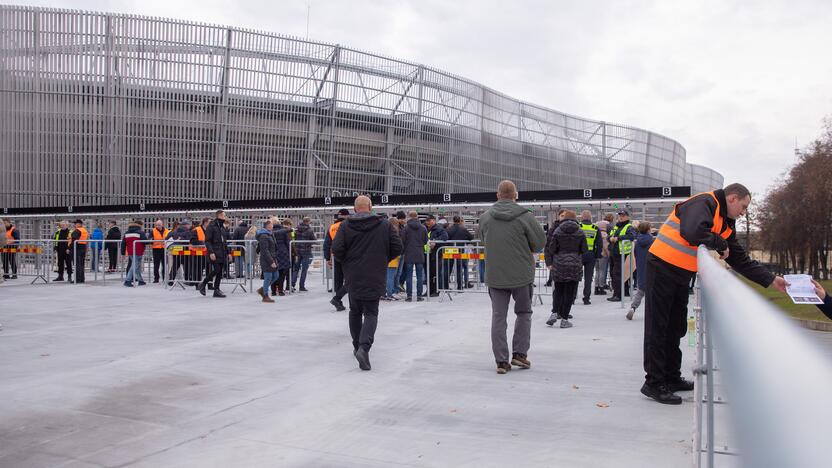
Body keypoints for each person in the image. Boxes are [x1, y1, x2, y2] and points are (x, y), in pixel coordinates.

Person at [642, 183, 788, 404]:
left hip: (680, 273)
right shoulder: (705, 203)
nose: (744, 211)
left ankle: (670, 377)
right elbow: (692, 232)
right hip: (662, 266)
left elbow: (738, 258)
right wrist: (719, 243)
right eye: (744, 205)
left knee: (675, 327)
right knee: (658, 327)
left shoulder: (726, 221)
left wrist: (770, 279)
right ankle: (653, 383)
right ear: (732, 198)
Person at [479, 180, 547, 374]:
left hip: (495, 275)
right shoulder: (526, 216)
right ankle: (520, 355)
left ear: (497, 195)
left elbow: (483, 238)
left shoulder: (485, 217)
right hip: (521, 275)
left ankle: (501, 361)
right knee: (524, 314)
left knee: (498, 317)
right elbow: (539, 242)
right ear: (516, 195)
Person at [331, 195, 403, 371]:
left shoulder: (345, 225)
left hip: (353, 275)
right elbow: (398, 247)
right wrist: (382, 259)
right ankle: (364, 347)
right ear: (370, 206)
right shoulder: (384, 225)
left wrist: (347, 263)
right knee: (371, 312)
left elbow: (337, 249)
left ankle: (357, 346)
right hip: (375, 274)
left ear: (355, 209)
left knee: (355, 311)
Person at [544, 210, 587, 328]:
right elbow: (584, 249)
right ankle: (564, 320)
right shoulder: (580, 231)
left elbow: (552, 248)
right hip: (574, 265)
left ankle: (554, 313)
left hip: (559, 264)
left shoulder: (557, 230)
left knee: (558, 290)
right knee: (569, 293)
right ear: (575, 219)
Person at [199, 210, 231, 298]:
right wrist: (211, 252)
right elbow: (208, 241)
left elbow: (224, 241)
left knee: (220, 271)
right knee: (217, 269)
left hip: (222, 252)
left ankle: (216, 290)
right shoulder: (212, 226)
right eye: (224, 215)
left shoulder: (222, 227)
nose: (225, 217)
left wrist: (229, 253)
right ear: (220, 215)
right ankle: (203, 283)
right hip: (214, 252)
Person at [607, 210, 636, 302]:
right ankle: (621, 292)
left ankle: (618, 295)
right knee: (613, 274)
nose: (621, 217)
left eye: (623, 215)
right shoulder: (616, 226)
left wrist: (618, 238)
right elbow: (609, 236)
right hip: (613, 253)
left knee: (617, 274)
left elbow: (631, 236)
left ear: (627, 217)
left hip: (621, 254)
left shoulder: (629, 226)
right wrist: (610, 238)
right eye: (620, 215)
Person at [627, 221, 654, 320]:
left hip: (641, 267)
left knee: (640, 291)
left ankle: (633, 308)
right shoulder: (652, 240)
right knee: (652, 292)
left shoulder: (637, 241)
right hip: (651, 268)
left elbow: (635, 254)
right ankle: (651, 313)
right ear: (648, 229)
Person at [324, 209, 350, 311]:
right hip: (348, 257)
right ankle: (338, 299)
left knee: (338, 281)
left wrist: (327, 258)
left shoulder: (331, 228)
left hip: (335, 257)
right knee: (350, 280)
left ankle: (338, 303)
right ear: (346, 216)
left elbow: (326, 244)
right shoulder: (348, 226)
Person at [400, 211, 428, 302]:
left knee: (409, 276)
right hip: (419, 253)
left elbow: (402, 240)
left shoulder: (406, 228)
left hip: (409, 254)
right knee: (420, 276)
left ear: (409, 217)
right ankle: (419, 296)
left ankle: (409, 296)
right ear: (417, 216)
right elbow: (425, 241)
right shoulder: (423, 228)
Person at [579, 210, 602, 305]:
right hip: (590, 255)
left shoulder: (578, 227)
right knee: (588, 278)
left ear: (581, 218)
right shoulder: (595, 228)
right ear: (591, 218)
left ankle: (572, 298)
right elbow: (599, 244)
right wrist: (597, 255)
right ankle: (586, 298)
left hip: (579, 254)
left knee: (576, 276)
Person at [447, 215, 474, 289]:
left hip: (450, 250)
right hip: (460, 250)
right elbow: (471, 237)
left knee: (449, 268)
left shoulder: (449, 229)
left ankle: (446, 286)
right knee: (459, 268)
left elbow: (446, 238)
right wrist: (465, 239)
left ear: (453, 220)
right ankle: (459, 287)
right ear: (459, 221)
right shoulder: (463, 229)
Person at [425, 214, 449, 296]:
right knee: (429, 274)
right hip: (428, 254)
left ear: (434, 220)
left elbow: (445, 237)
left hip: (436, 255)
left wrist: (436, 241)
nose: (428, 222)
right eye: (427, 221)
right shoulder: (427, 229)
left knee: (436, 273)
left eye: (429, 221)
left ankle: (436, 290)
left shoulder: (439, 228)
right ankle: (429, 290)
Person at [292, 216, 316, 292]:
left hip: (297, 251)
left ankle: (292, 285)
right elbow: (314, 240)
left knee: (296, 269)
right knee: (304, 270)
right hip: (306, 251)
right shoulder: (309, 230)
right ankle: (301, 286)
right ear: (308, 222)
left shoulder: (296, 229)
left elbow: (294, 238)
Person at [256, 219, 278, 303]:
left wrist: (274, 259)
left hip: (272, 258)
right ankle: (265, 296)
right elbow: (265, 250)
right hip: (267, 260)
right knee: (268, 277)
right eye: (272, 224)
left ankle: (263, 289)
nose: (273, 225)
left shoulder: (270, 234)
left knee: (276, 275)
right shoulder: (263, 236)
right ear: (268, 225)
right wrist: (271, 261)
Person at [167, 219, 194, 285]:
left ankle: (171, 280)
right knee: (187, 266)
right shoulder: (188, 232)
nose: (189, 226)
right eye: (188, 224)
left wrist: (179, 239)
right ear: (186, 225)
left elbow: (169, 238)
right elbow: (189, 239)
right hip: (185, 250)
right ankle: (187, 280)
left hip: (177, 250)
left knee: (175, 266)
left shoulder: (175, 231)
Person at [121, 220, 147, 287]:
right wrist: (151, 241)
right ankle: (127, 280)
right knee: (135, 266)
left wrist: (122, 253)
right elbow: (145, 241)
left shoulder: (126, 233)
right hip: (138, 251)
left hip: (130, 251)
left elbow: (123, 243)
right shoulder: (141, 232)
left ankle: (140, 280)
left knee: (136, 266)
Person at [269, 217, 292, 297]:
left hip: (272, 253)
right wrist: (289, 252)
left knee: (273, 272)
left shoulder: (269, 231)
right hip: (283, 253)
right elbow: (287, 242)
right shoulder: (283, 231)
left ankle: (273, 291)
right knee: (282, 274)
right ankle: (280, 291)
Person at [68, 219, 89, 283]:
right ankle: (82, 279)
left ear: (79, 224)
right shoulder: (85, 230)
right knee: (81, 264)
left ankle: (77, 279)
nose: (74, 225)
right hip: (83, 247)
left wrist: (69, 248)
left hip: (77, 248)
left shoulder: (77, 230)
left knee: (77, 264)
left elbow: (74, 240)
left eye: (76, 223)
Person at [594, 218, 611, 295]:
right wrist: (609, 255)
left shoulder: (595, 233)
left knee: (597, 271)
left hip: (595, 254)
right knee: (602, 271)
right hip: (603, 255)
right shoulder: (605, 235)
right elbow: (605, 246)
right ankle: (601, 287)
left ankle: (596, 288)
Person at [191, 218, 210, 286]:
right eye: (209, 222)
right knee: (198, 269)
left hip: (208, 253)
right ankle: (198, 284)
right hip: (198, 253)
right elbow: (192, 241)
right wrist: (202, 243)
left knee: (209, 269)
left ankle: (210, 284)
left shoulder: (210, 230)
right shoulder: (196, 230)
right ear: (205, 222)